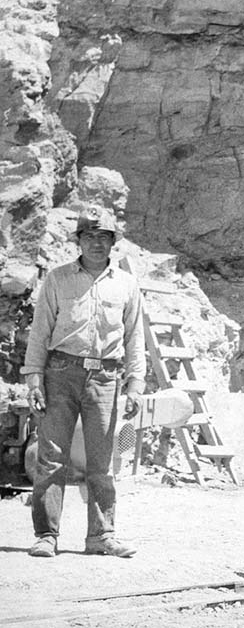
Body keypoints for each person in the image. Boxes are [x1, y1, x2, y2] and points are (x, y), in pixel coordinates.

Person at [21, 208, 145, 558]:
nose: (96, 243)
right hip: (60, 372)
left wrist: (135, 384)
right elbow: (40, 331)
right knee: (52, 458)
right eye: (89, 236)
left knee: (102, 462)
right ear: (79, 241)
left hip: (106, 377)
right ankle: (47, 535)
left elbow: (135, 338)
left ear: (112, 243)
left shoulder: (126, 284)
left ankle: (101, 536)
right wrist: (34, 380)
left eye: (103, 237)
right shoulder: (58, 279)